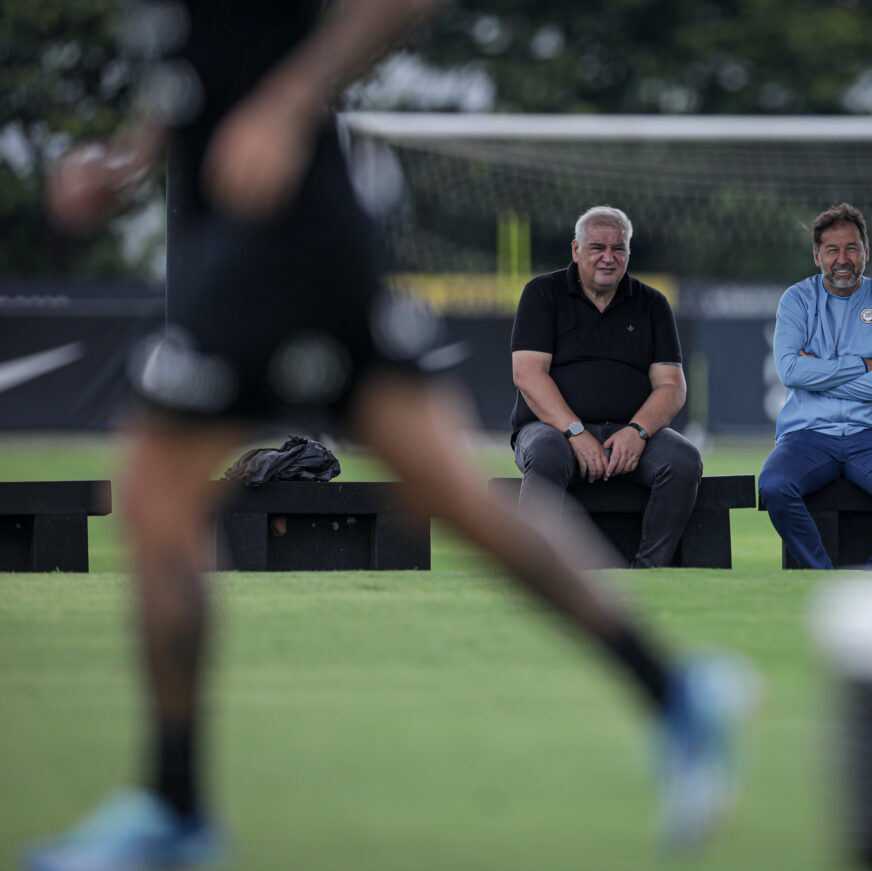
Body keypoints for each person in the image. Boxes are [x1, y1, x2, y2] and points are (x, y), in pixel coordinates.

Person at [27, 2, 756, 869]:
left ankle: (175, 804)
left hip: (281, 226)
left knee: (154, 494)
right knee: (450, 491)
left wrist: (287, 103)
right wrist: (133, 161)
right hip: (269, 224)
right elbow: (201, 67)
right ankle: (675, 693)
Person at [509, 206, 703, 568]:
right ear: (576, 250)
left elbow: (671, 386)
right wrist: (575, 431)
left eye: (619, 249)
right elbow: (528, 376)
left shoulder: (653, 304)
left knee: (683, 459)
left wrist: (638, 431)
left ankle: (649, 571)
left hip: (630, 434)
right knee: (547, 453)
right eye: (598, 247)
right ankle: (537, 571)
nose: (608, 258)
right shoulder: (542, 294)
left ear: (628, 252)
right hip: (553, 431)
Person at [759, 203, 872, 569]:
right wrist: (860, 366)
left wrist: (819, 376)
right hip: (806, 433)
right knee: (774, 487)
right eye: (832, 250)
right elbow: (790, 372)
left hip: (871, 433)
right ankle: (821, 576)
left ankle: (870, 578)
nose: (843, 258)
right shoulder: (796, 299)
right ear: (817, 256)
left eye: (851, 248)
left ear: (866, 253)